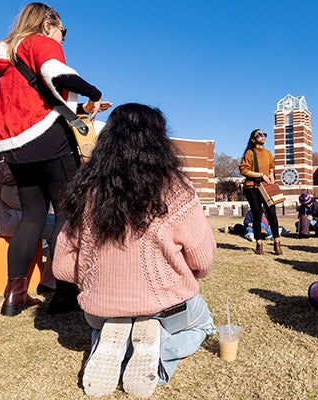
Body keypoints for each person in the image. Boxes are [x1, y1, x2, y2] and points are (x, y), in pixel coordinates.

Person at [52, 104, 216, 398]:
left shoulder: (85, 190)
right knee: (205, 325)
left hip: (99, 311)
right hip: (166, 309)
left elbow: (62, 266)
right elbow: (202, 259)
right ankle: (158, 351)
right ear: (159, 141)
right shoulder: (176, 188)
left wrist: (98, 275)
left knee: (107, 322)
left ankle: (108, 340)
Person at [0, 3, 112, 316]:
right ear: (48, 24)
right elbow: (56, 73)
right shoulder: (40, 42)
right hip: (49, 141)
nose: (63, 38)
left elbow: (38, 100)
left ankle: (14, 296)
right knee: (66, 214)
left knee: (31, 216)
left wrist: (83, 110)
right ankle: (64, 293)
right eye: (63, 31)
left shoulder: (10, 59)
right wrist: (94, 92)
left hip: (15, 146)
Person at [0, 157, 57, 293]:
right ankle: (49, 279)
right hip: (9, 219)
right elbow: (12, 199)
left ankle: (50, 274)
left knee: (55, 227)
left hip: (1, 218)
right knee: (61, 228)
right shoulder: (7, 166)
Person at [239, 129, 282, 255]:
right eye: (259, 135)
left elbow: (272, 167)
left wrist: (271, 176)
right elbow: (243, 170)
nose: (263, 136)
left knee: (272, 213)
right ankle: (259, 244)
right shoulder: (250, 153)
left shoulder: (268, 153)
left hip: (266, 188)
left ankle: (277, 242)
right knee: (257, 215)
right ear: (253, 139)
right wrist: (261, 175)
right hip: (252, 187)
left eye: (264, 134)